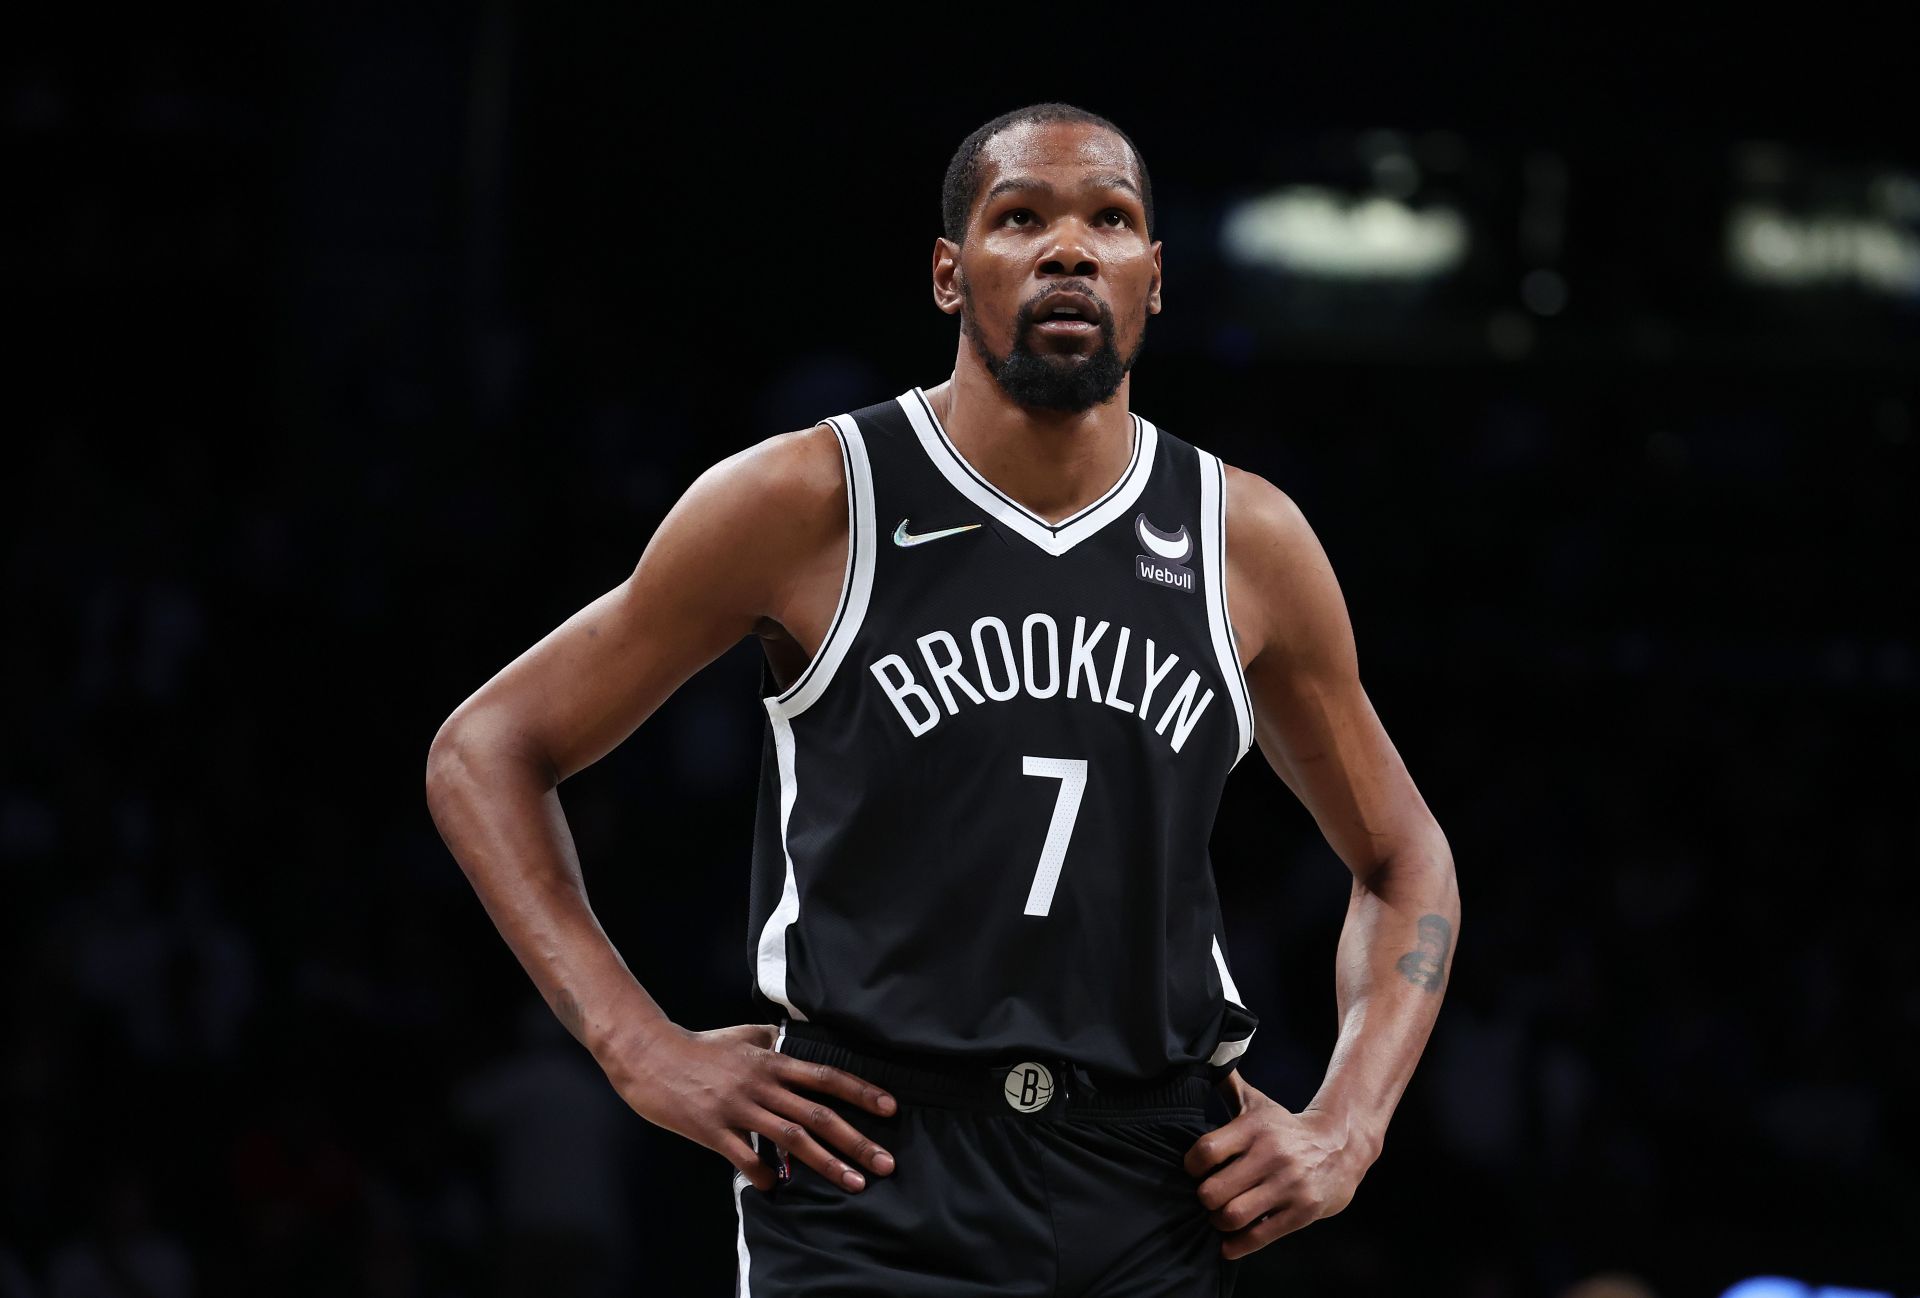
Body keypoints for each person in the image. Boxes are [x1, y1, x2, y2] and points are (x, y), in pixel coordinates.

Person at [426, 101, 1460, 1296]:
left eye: (1111, 221)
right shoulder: (812, 497)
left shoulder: (1246, 539)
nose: (1070, 249)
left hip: (1148, 1171)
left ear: (1155, 279)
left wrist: (1349, 1124)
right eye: (1020, 217)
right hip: (872, 1162)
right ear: (949, 271)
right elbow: (485, 748)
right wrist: (633, 1043)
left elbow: (1404, 855)